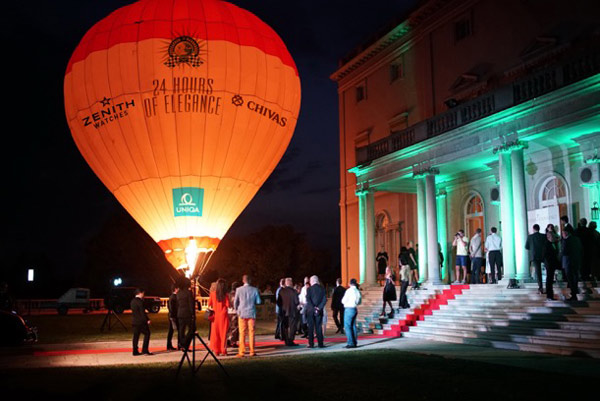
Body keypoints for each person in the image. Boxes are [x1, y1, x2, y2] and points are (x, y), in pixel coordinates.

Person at [234, 274, 261, 357]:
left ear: (243, 280)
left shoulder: (238, 289)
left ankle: (242, 351)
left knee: (242, 333)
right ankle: (252, 351)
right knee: (251, 332)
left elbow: (235, 302)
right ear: (250, 281)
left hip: (242, 313)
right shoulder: (255, 290)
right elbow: (259, 302)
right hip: (251, 312)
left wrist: (237, 310)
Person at [208, 278, 230, 356]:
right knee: (223, 333)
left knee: (215, 333)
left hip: (215, 316)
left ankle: (216, 350)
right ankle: (223, 349)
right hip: (223, 315)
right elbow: (228, 305)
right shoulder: (226, 295)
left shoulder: (213, 294)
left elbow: (209, 304)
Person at [305, 275, 327, 348]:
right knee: (318, 327)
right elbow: (324, 300)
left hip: (311, 311)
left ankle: (311, 344)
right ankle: (320, 343)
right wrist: (318, 308)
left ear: (312, 281)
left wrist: (313, 308)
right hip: (319, 310)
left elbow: (308, 299)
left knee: (311, 327)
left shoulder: (309, 289)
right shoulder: (322, 289)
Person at [561, 225, 582, 301]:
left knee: (570, 279)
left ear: (566, 233)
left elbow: (564, 252)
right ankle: (575, 291)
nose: (562, 235)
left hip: (568, 262)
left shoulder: (566, 241)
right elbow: (580, 249)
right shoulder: (577, 239)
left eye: (563, 233)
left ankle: (573, 294)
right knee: (575, 277)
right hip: (576, 261)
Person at [277, 277, 299, 346]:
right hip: (292, 311)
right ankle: (291, 340)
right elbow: (296, 302)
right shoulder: (294, 291)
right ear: (291, 283)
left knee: (285, 326)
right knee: (292, 327)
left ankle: (286, 340)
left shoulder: (281, 291)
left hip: (284, 311)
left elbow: (278, 302)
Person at [525, 224, 547, 294]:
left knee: (538, 272)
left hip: (534, 256)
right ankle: (548, 285)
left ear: (533, 229)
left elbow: (526, 247)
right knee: (548, 271)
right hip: (543, 255)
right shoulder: (543, 236)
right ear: (539, 229)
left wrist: (532, 248)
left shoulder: (530, 237)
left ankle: (540, 288)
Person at [131, 288, 152, 356]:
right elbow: (142, 312)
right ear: (140, 293)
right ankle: (145, 350)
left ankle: (135, 351)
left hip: (134, 321)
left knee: (135, 336)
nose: (144, 295)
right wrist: (147, 320)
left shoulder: (132, 301)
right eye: (143, 293)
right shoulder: (140, 302)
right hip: (141, 322)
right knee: (147, 334)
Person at [341, 278, 362, 348]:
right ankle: (354, 342)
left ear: (350, 284)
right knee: (353, 326)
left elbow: (343, 301)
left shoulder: (349, 291)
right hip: (354, 309)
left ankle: (350, 342)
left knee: (347, 326)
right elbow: (359, 302)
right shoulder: (357, 291)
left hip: (348, 308)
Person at [176, 278, 195, 351]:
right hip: (187, 313)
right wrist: (192, 313)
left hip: (180, 313)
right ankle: (185, 343)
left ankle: (182, 344)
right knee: (192, 329)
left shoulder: (179, 293)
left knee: (181, 329)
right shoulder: (188, 292)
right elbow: (191, 304)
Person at [543, 224, 561, 301]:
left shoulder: (553, 244)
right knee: (549, 279)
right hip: (549, 264)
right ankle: (549, 295)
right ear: (548, 237)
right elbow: (545, 255)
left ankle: (550, 295)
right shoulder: (547, 244)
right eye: (552, 236)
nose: (554, 237)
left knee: (550, 279)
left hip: (552, 264)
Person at [227, 281, 240, 348]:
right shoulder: (237, 294)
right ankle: (233, 341)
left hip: (229, 312)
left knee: (230, 327)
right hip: (235, 312)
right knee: (235, 327)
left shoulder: (229, 294)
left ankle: (229, 339)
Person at [166, 284, 179, 351]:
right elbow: (171, 307)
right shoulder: (173, 297)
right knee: (172, 330)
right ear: (175, 289)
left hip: (173, 315)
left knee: (171, 330)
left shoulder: (173, 297)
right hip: (173, 316)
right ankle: (170, 345)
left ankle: (169, 345)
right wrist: (173, 316)